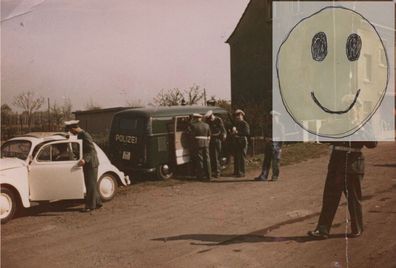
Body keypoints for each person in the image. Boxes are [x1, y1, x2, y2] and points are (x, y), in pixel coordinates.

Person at [65, 120, 102, 212]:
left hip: (91, 163)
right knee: (91, 184)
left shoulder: (85, 135)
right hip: (89, 163)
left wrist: (84, 159)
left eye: (70, 130)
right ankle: (97, 202)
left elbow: (91, 150)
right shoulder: (80, 135)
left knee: (90, 185)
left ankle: (90, 206)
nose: (71, 132)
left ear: (74, 128)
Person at [255, 111, 285, 181]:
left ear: (278, 118)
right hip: (268, 146)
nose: (273, 118)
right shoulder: (268, 126)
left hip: (276, 146)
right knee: (266, 161)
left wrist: (280, 147)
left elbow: (282, 138)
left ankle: (275, 176)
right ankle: (263, 176)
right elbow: (265, 136)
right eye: (272, 117)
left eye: (274, 117)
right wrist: (266, 139)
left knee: (275, 162)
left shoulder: (280, 126)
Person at [189, 113, 211, 180]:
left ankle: (201, 176)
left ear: (195, 118)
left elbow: (191, 136)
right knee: (207, 159)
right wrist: (207, 143)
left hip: (197, 143)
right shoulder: (207, 125)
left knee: (200, 160)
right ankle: (209, 175)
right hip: (206, 143)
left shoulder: (193, 125)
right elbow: (209, 136)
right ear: (200, 118)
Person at [205, 110, 226, 178]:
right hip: (211, 140)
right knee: (212, 156)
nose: (209, 119)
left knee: (216, 156)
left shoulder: (218, 120)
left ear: (212, 115)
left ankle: (217, 172)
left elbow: (222, 130)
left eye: (210, 117)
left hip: (217, 139)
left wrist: (223, 137)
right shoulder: (208, 121)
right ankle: (215, 170)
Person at [231, 109, 250, 177]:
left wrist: (237, 132)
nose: (237, 117)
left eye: (239, 115)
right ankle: (237, 171)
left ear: (242, 116)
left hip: (242, 141)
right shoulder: (236, 123)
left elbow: (247, 133)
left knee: (241, 157)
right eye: (236, 116)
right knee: (237, 157)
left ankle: (242, 172)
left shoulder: (244, 123)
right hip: (237, 141)